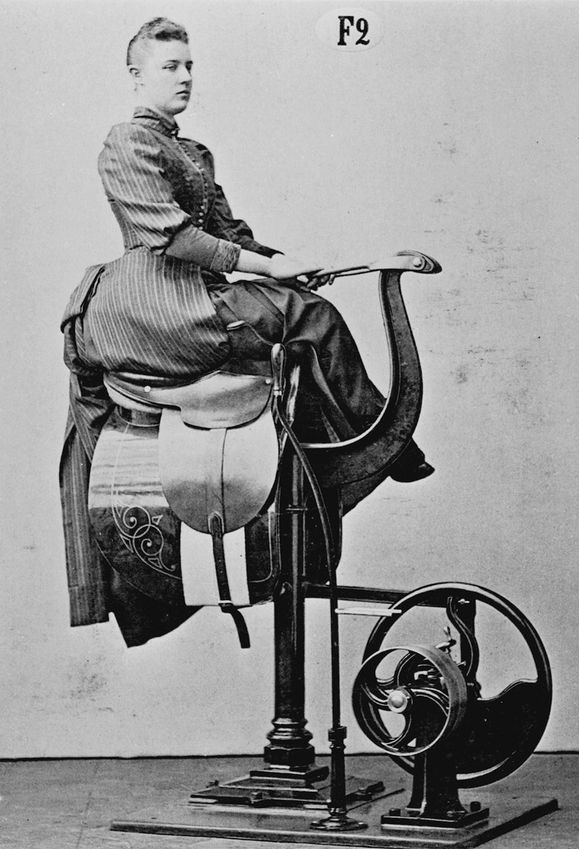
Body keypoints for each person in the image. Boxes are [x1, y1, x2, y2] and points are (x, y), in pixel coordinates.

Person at [60, 17, 433, 640]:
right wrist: (271, 273)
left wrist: (289, 265)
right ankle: (383, 438)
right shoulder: (125, 143)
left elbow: (230, 236)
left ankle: (330, 464)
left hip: (195, 293)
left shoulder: (193, 152)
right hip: (154, 306)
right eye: (169, 67)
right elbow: (174, 238)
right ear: (136, 76)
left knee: (299, 306)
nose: (184, 76)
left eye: (189, 65)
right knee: (312, 319)